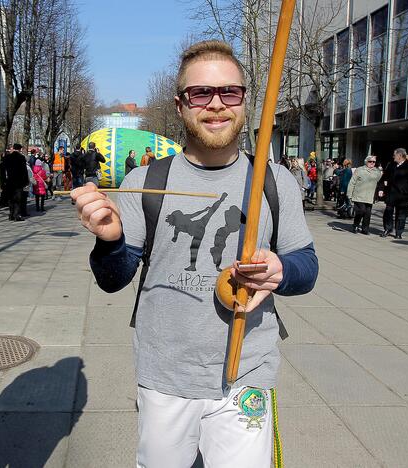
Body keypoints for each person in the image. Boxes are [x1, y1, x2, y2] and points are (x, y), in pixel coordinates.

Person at [71, 40, 317, 467]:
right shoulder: (145, 181)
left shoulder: (274, 181)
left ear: (244, 100)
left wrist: (282, 269)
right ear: (181, 104)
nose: (216, 105)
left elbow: (307, 266)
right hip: (165, 375)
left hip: (247, 374)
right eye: (201, 93)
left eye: (230, 92)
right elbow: (113, 278)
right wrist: (109, 239)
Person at [379, 148, 408, 239]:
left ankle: (398, 232)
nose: (393, 157)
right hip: (391, 194)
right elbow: (384, 178)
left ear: (400, 156)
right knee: (388, 212)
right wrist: (381, 189)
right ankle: (388, 229)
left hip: (403, 196)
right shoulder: (391, 165)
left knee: (401, 215)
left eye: (394, 155)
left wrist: (405, 191)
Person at [347, 155, 382, 234]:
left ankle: (365, 229)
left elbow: (379, 183)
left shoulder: (377, 172)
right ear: (366, 162)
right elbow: (352, 182)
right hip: (359, 195)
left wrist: (380, 190)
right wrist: (349, 194)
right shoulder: (359, 170)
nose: (372, 163)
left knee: (367, 214)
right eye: (370, 161)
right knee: (361, 211)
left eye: (374, 162)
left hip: (370, 196)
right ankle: (355, 225)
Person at [4, 142, 29, 221]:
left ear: (13, 148)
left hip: (10, 181)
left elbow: (2, 169)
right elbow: (24, 171)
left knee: (11, 199)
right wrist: (26, 181)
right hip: (18, 182)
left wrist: (3, 181)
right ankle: (16, 215)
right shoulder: (21, 158)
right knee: (18, 199)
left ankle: (11, 215)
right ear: (20, 149)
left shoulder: (7, 157)